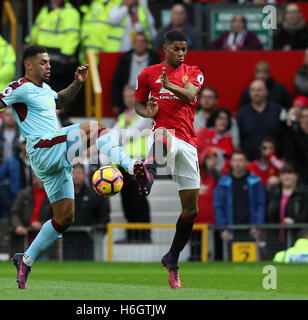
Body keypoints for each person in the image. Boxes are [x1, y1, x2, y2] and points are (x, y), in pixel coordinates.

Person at [0, 45, 144, 289]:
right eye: (43, 62)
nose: (49, 66)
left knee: (64, 217)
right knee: (96, 127)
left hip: (53, 159)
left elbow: (61, 100)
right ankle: (134, 168)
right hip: (44, 148)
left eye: (49, 62)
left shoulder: (46, 90)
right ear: (29, 65)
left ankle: (25, 259)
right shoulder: (20, 88)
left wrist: (78, 82)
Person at [133, 30, 205, 289]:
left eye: (184, 49)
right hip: (165, 135)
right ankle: (149, 171)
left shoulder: (195, 71)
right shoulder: (147, 74)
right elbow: (138, 104)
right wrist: (148, 111)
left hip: (189, 143)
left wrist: (167, 86)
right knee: (162, 132)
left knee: (191, 210)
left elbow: (189, 94)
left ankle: (172, 257)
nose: (182, 53)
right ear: (165, 49)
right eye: (176, 49)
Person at [112, 85, 151, 243]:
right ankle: (131, 234)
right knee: (126, 199)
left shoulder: (144, 114)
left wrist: (124, 128)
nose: (128, 99)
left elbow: (129, 134)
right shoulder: (123, 117)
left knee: (138, 198)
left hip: (138, 162)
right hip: (123, 163)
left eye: (131, 96)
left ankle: (144, 234)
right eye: (126, 96)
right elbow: (114, 137)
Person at [26, 0, 80, 92]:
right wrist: (28, 42)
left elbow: (72, 35)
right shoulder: (45, 10)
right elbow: (36, 29)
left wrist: (66, 55)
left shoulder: (70, 12)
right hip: (43, 54)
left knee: (57, 91)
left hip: (59, 58)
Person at [214, 149, 265, 242]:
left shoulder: (255, 182)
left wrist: (258, 226)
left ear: (246, 162)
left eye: (240, 160)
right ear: (231, 162)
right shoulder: (223, 183)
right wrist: (223, 228)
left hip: (251, 230)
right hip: (230, 231)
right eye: (235, 160)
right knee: (229, 256)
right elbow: (218, 207)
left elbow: (260, 205)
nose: (237, 163)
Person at [65, 163, 110, 260]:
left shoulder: (94, 194)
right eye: (74, 173)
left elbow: (103, 215)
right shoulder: (64, 194)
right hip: (68, 239)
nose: (76, 176)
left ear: (85, 175)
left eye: (79, 173)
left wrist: (100, 228)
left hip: (88, 239)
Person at [111, 32, 161, 115]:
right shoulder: (124, 59)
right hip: (129, 94)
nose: (139, 44)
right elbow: (117, 82)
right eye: (137, 41)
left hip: (147, 95)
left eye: (142, 41)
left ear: (146, 43)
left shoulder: (155, 59)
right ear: (133, 43)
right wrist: (115, 103)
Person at [236, 79, 285, 161]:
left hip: (274, 163)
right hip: (249, 163)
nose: (256, 93)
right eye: (253, 90)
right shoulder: (242, 113)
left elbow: (286, 134)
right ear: (249, 93)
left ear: (266, 92)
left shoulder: (278, 110)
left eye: (259, 90)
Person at [10, 174, 53, 257]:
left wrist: (43, 224)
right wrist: (18, 226)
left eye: (43, 177)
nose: (40, 180)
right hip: (23, 238)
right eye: (38, 176)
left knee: (44, 265)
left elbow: (57, 216)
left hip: (44, 240)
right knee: (21, 264)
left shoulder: (53, 195)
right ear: (33, 178)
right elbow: (15, 212)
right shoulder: (24, 194)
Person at [195, 108, 234, 173]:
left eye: (226, 119)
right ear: (214, 119)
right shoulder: (203, 133)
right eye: (220, 118)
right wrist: (206, 161)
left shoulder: (229, 139)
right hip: (201, 171)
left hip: (220, 175)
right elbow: (194, 153)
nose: (223, 121)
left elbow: (229, 160)